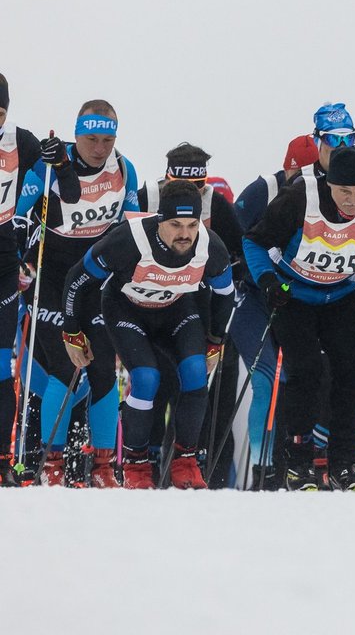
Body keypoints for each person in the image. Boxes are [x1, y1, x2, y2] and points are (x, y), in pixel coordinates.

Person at [243, 146, 355, 491]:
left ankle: (344, 463)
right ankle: (298, 464)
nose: (353, 201)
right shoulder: (299, 198)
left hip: (341, 295)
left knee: (351, 374)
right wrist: (267, 281)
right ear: (330, 184)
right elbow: (253, 242)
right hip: (294, 296)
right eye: (345, 192)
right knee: (307, 371)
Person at [60, 181, 235, 488]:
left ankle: (186, 462)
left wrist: (215, 341)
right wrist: (72, 332)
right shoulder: (129, 240)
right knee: (147, 378)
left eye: (192, 225)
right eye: (176, 225)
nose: (185, 234)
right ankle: (136, 464)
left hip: (176, 311)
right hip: (127, 311)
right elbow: (78, 279)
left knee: (195, 372)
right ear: (159, 219)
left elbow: (226, 294)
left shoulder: (210, 246)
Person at [16, 99, 137, 486]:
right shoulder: (51, 163)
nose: (100, 148)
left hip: (94, 278)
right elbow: (19, 215)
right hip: (50, 276)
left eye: (107, 139)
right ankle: (50, 466)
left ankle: (102, 467)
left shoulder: (125, 169)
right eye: (91, 139)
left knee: (102, 370)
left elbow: (130, 227)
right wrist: (20, 263)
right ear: (77, 133)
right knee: (66, 368)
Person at [137, 142, 245, 485]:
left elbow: (240, 255)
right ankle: (148, 463)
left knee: (210, 396)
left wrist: (224, 278)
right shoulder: (147, 198)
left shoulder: (217, 203)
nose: (190, 195)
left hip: (203, 309)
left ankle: (207, 474)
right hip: (153, 306)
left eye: (198, 187)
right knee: (157, 385)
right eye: (179, 186)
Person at [230, 134, 319, 489]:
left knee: (296, 377)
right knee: (266, 377)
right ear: (287, 169)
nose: (304, 187)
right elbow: (231, 235)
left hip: (294, 296)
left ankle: (288, 463)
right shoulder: (261, 190)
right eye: (298, 178)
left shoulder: (320, 195)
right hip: (252, 297)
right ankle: (260, 470)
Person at [0, 73, 71, 486]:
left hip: (3, 260)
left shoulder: (19, 141)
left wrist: (56, 157)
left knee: (0, 369)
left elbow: (60, 194)